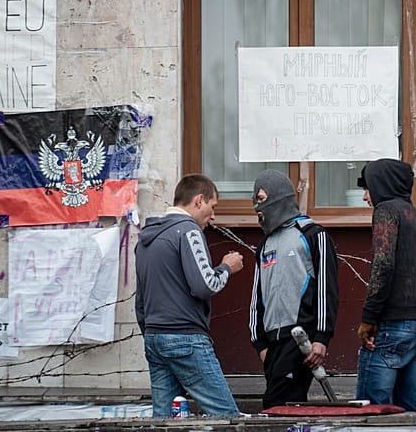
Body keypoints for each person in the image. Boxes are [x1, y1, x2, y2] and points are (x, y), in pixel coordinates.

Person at [135, 173, 243, 417]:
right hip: (185, 337)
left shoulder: (145, 239)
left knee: (164, 419)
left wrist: (152, 333)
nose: (213, 216)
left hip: (154, 336)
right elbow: (205, 285)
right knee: (226, 417)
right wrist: (227, 267)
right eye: (212, 207)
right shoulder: (188, 231)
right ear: (199, 200)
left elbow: (140, 301)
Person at [248, 169, 339, 409]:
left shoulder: (312, 234)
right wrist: (260, 343)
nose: (257, 207)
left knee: (277, 404)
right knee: (291, 407)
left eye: (261, 198)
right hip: (272, 343)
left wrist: (321, 337)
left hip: (300, 338)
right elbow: (258, 294)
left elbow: (326, 289)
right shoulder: (265, 243)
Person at [354, 158, 416, 411]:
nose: (366, 197)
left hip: (392, 325)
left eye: (367, 188)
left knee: (372, 412)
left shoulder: (386, 211)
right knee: (410, 411)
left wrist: (368, 319)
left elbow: (383, 265)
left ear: (381, 184)